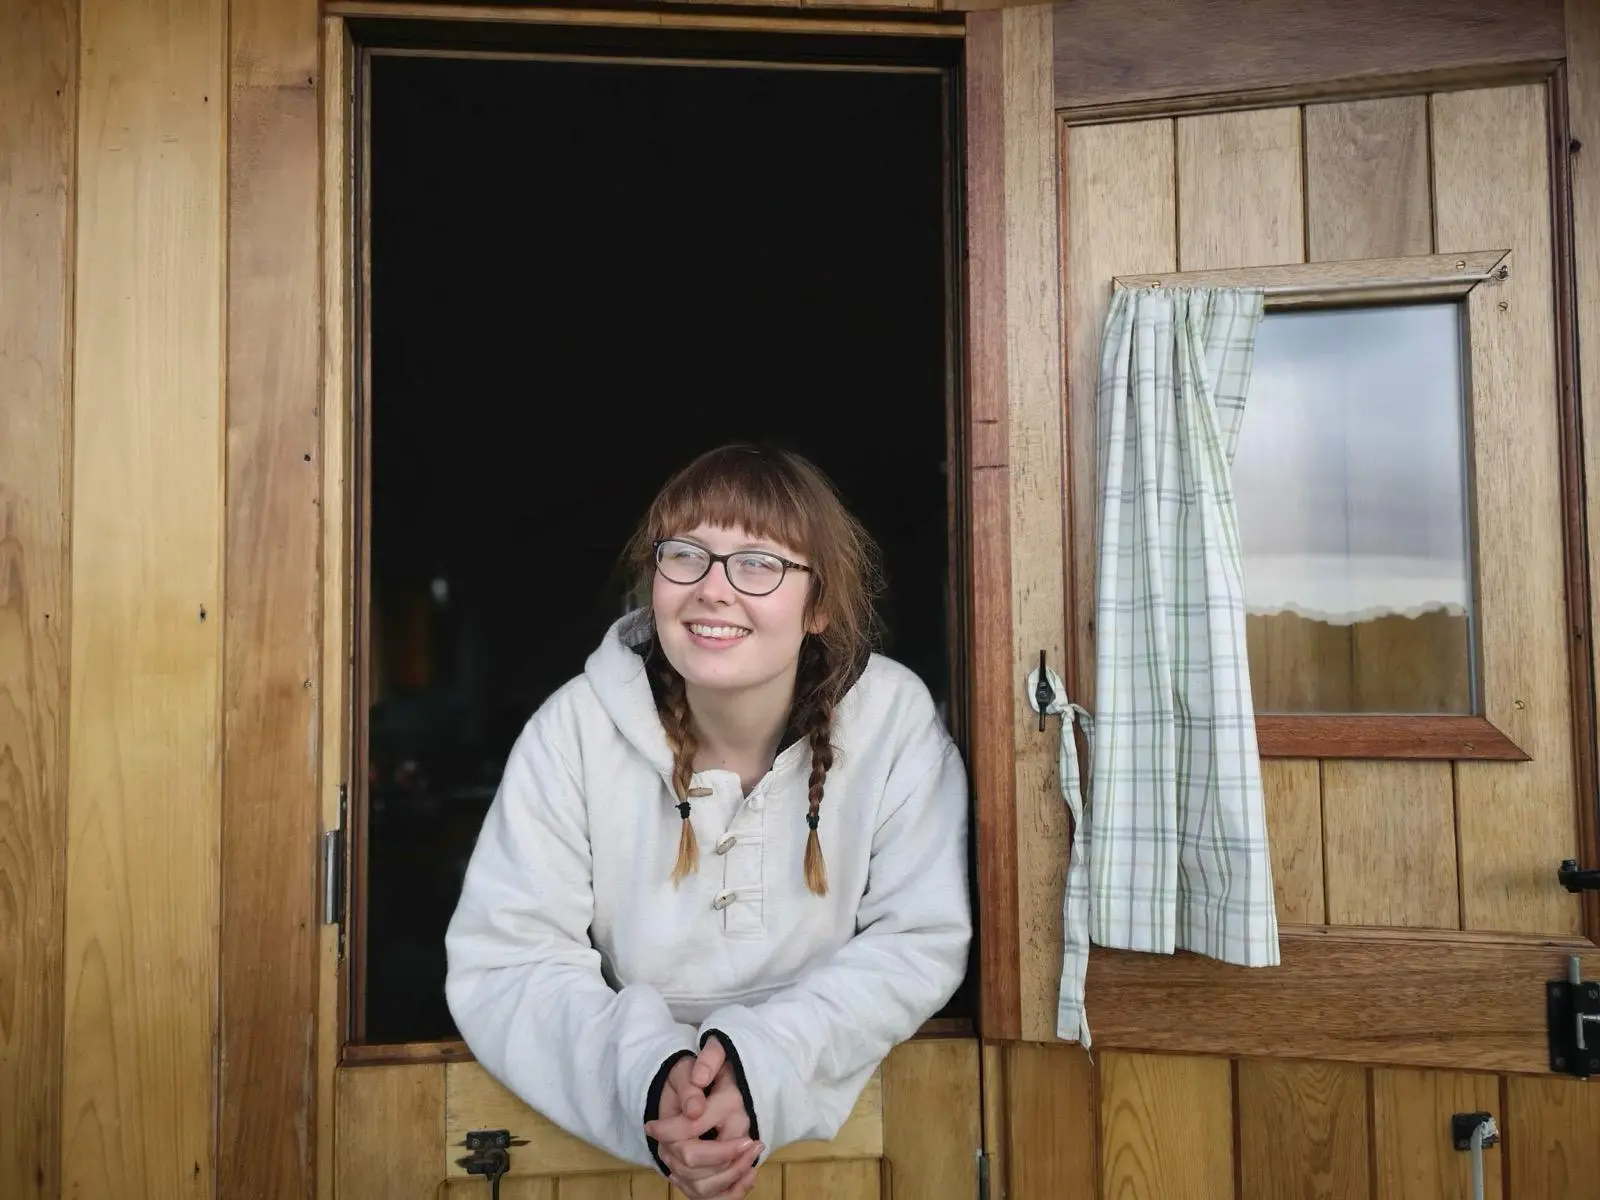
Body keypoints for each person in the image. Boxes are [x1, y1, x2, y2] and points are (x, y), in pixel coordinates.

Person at [444, 444, 971, 1199]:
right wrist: (653, 1080)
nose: (713, 590)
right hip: (627, 1126)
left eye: (758, 563)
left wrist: (762, 1068)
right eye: (686, 555)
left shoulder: (893, 722)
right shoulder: (574, 730)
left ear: (818, 605)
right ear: (654, 580)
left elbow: (917, 939)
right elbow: (508, 958)